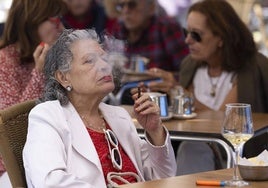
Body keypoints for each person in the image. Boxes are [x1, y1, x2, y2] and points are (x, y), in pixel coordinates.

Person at [22, 29, 176, 187]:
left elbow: (165, 178)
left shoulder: (119, 116)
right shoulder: (47, 116)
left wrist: (155, 131)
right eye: (90, 60)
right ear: (64, 77)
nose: (104, 66)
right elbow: (50, 183)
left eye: (104, 58)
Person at [144, 0, 268, 175]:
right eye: (186, 32)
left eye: (196, 35)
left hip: (239, 158)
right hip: (196, 154)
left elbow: (228, 123)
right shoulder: (191, 66)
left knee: (193, 148)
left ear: (221, 38)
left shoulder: (250, 69)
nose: (187, 40)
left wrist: (179, 91)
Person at [0, 0, 65, 178]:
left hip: (50, 155)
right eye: (53, 18)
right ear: (31, 21)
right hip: (11, 168)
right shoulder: (4, 61)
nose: (61, 25)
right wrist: (40, 74)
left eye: (60, 17)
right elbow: (12, 129)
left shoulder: (53, 55)